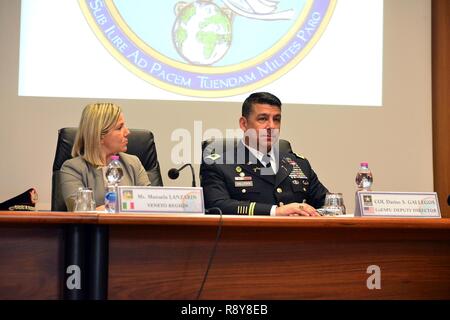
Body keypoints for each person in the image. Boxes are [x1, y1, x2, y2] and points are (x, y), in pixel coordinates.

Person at [200, 92, 328, 216]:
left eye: (276, 119)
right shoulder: (219, 165)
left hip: (298, 236)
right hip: (246, 236)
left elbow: (329, 205)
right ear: (243, 124)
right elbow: (217, 205)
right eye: (263, 119)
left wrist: (310, 213)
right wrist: (275, 211)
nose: (271, 126)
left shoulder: (299, 164)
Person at [60, 103, 150, 211]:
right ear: (99, 136)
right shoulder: (72, 169)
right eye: (119, 127)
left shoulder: (133, 163)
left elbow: (148, 204)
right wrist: (121, 207)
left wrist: (105, 208)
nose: (127, 132)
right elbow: (81, 212)